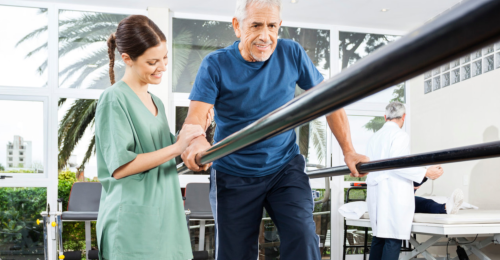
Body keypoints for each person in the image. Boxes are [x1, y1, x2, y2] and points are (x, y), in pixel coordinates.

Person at [181, 0, 369, 259]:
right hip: (233, 172)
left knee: (303, 237)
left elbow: (330, 100)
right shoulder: (215, 64)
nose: (265, 35)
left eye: (272, 26)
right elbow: (195, 118)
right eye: (256, 25)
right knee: (235, 254)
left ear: (279, 26)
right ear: (237, 26)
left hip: (284, 168)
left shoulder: (291, 53)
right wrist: (198, 141)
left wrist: (349, 151)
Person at [95, 15, 210, 260]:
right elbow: (121, 167)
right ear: (127, 59)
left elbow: (168, 153)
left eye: (165, 57)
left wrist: (194, 141)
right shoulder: (114, 99)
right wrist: (178, 145)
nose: (163, 67)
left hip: (166, 217)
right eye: (152, 62)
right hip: (132, 224)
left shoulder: (156, 102)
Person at [365, 101, 444, 260]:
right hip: (392, 194)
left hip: (377, 192)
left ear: (385, 116)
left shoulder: (374, 137)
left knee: (379, 238)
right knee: (392, 238)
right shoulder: (400, 135)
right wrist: (426, 172)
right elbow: (398, 165)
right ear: (404, 117)